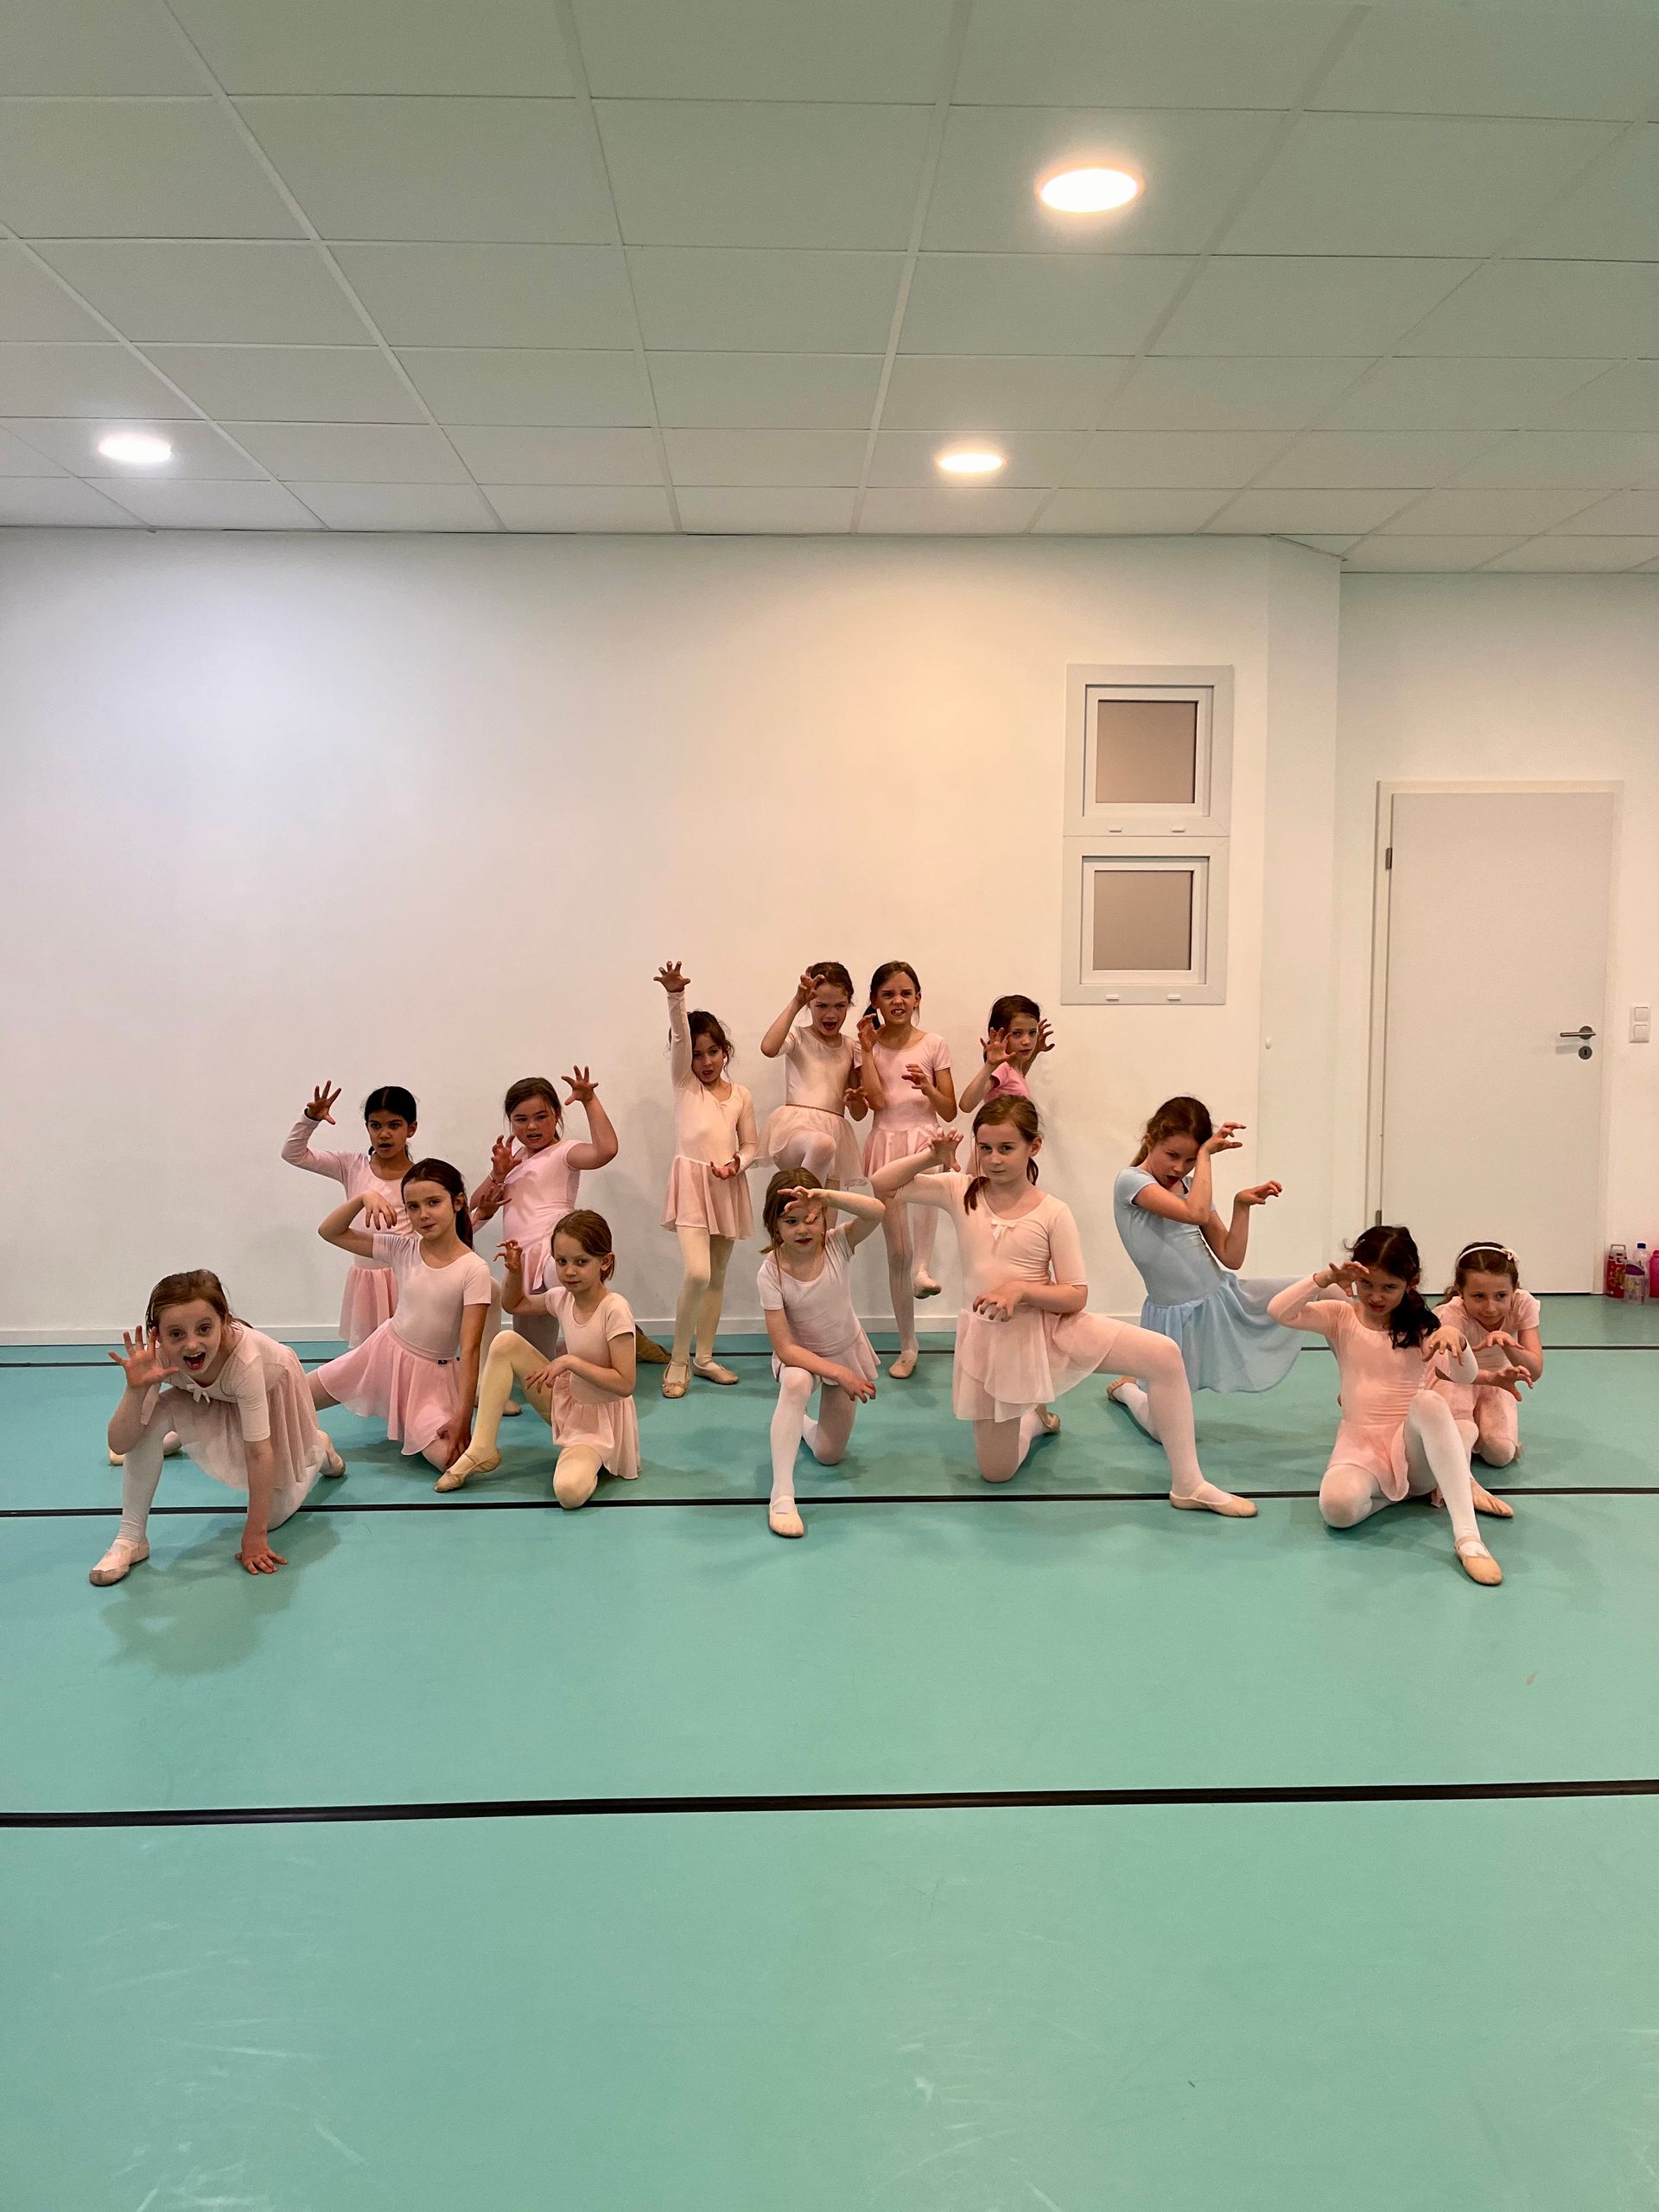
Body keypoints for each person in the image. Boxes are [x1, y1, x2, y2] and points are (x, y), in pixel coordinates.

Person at [874, 1097, 1252, 1511]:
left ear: (1033, 1147)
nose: (994, 1160)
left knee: (1163, 1355)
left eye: (1006, 1148)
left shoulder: (1053, 1212)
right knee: (995, 1472)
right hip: (994, 1343)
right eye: (985, 1148)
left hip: (1053, 1329)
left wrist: (1021, 1290)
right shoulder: (959, 1190)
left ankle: (1189, 1483)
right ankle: (1035, 1420)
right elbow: (882, 1182)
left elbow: (1075, 1295)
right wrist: (930, 1154)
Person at [1267, 1227, 1511, 1586]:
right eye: (1368, 1285)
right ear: (1355, 1277)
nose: (1376, 1297)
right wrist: (1325, 1278)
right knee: (1337, 1508)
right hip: (1361, 1446)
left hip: (1413, 1450)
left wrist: (1458, 1341)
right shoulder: (1340, 1316)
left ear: (1410, 1283)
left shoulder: (1423, 1327)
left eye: (1388, 1287)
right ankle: (1396, 1495)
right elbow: (1278, 1311)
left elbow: (1465, 1375)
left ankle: (1468, 1538)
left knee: (1428, 1401)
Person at [92, 1269, 342, 1585]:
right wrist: (135, 1390)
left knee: (273, 1517)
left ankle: (317, 1448)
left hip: (268, 1395)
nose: (191, 1344)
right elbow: (121, 1443)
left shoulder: (246, 1360)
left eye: (204, 1328)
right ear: (158, 1334)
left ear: (224, 1322)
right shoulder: (156, 1358)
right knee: (150, 1420)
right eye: (176, 1334)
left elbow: (258, 1453)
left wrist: (255, 1535)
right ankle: (131, 1537)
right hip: (209, 1396)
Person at [1109, 1095, 1298, 1437]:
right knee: (1164, 1430)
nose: (1180, 1168)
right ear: (1151, 1140)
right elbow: (1194, 1213)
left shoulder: (1192, 1188)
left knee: (1325, 1287)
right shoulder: (1132, 1182)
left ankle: (1362, 1382)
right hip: (1173, 1318)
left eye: (1190, 1159)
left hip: (1223, 1300)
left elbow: (1230, 1256)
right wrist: (1207, 1154)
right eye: (1173, 1156)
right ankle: (1127, 1390)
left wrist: (1241, 1206)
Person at [439, 1211, 639, 1507]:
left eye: (581, 1262)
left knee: (569, 1494)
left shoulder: (615, 1309)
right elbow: (514, 1304)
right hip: (567, 1402)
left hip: (599, 1422)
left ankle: (592, 1459)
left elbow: (625, 1384)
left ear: (605, 1262)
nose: (570, 1271)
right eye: (561, 1262)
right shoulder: (562, 1298)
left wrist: (570, 1362)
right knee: (506, 1341)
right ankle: (482, 1447)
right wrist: (516, 1272)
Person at [308, 1160, 493, 1472]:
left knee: (452, 1460)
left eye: (433, 1202)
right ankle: (210, 1417)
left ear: (458, 1202)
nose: (423, 1214)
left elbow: (471, 1348)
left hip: (430, 1380)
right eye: (413, 1206)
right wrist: (362, 1197)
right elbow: (329, 1232)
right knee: (289, 1395)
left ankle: (414, 1422)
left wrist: (463, 1418)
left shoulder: (474, 1269)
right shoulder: (402, 1249)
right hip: (380, 1354)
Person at [756, 1168, 886, 1538]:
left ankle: (798, 1425)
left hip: (843, 1351)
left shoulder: (837, 1244)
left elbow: (876, 1211)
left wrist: (826, 1196)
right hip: (801, 1358)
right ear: (775, 1226)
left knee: (829, 1454)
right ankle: (782, 1494)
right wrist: (840, 1374)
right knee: (796, 1383)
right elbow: (785, 1348)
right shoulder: (771, 1273)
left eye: (812, 1220)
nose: (803, 1230)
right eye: (791, 1221)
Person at [655, 961, 757, 1398]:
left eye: (713, 1052)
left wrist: (737, 1163)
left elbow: (752, 1144)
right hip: (692, 1186)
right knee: (696, 1273)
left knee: (716, 1277)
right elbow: (679, 1036)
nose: (706, 1061)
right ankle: (678, 1360)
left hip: (726, 1186)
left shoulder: (741, 1096)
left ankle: (705, 1357)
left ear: (725, 1052)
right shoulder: (684, 1085)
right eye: (698, 1054)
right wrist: (676, 997)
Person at [859, 959, 957, 1377]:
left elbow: (950, 1109)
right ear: (875, 1002)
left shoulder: (934, 1043)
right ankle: (907, 1345)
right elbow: (875, 1106)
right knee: (896, 1250)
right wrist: (864, 1051)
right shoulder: (868, 1045)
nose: (897, 1000)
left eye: (905, 992)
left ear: (918, 998)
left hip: (927, 1140)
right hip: (886, 1141)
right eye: (888, 994)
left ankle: (924, 1269)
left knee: (924, 1224)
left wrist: (927, 1086)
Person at [280, 1081, 417, 1345]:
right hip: (366, 1279)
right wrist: (310, 1120)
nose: (384, 1134)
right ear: (367, 1128)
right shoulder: (352, 1165)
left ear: (411, 1129)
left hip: (405, 1277)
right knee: (368, 1352)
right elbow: (293, 1154)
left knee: (405, 1347)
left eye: (394, 1125)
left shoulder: (420, 1176)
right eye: (375, 1125)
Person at [1435, 1239, 1543, 1477]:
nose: (1491, 1307)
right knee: (1454, 1444)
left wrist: (1508, 1345)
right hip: (1458, 1379)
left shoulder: (1523, 1304)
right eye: (1479, 1296)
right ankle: (1466, 1424)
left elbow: (1534, 1370)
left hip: (1499, 1379)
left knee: (1500, 1453)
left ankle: (1481, 1425)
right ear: (1460, 1291)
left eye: (1501, 1296)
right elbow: (1443, 1371)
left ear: (1514, 1290)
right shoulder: (1453, 1314)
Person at [759, 961, 868, 1183]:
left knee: (827, 1213)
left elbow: (858, 1113)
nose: (831, 1014)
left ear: (849, 1004)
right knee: (821, 1145)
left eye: (840, 1006)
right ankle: (803, 1205)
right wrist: (796, 1002)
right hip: (795, 1132)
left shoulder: (851, 1047)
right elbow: (769, 1048)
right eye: (821, 1006)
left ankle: (806, 1208)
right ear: (810, 1004)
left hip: (835, 1132)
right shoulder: (799, 1037)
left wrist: (854, 1100)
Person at [957, 995, 1054, 1113]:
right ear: (997, 1034)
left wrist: (1035, 1052)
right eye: (1017, 1033)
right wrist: (990, 1065)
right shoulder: (1002, 1068)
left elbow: (1017, 1078)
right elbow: (966, 1105)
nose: (1027, 1041)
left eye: (1032, 1033)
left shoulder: (1014, 1066)